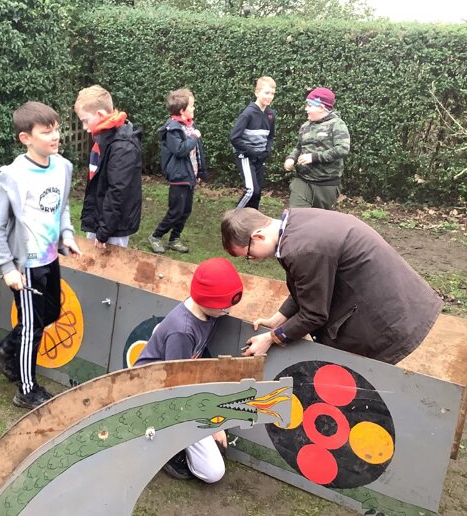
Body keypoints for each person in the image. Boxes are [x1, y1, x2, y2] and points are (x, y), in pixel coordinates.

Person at [220, 207, 443, 364]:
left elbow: (314, 315)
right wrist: (278, 319)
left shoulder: (302, 249)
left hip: (386, 319)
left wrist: (271, 338)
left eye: (248, 255)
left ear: (258, 237)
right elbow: (311, 284)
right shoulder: (297, 221)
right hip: (401, 299)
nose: (253, 260)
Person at [0, 102, 82, 410]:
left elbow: (62, 206)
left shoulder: (63, 167)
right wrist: (7, 267)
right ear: (26, 138)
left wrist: (67, 235)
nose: (55, 136)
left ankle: (4, 350)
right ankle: (26, 390)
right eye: (46, 131)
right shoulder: (13, 176)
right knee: (32, 327)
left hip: (50, 259)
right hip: (25, 266)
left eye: (57, 129)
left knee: (50, 314)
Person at [135, 258, 244, 482]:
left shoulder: (206, 312)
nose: (229, 311)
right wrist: (213, 422)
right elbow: (177, 387)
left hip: (180, 387)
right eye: (224, 306)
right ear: (206, 300)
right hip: (158, 394)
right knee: (213, 472)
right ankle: (166, 446)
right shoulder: (183, 330)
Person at [74, 85, 142, 248]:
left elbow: (118, 191)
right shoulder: (103, 138)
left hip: (113, 228)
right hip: (100, 219)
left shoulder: (122, 146)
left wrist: (104, 231)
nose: (84, 127)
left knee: (111, 262)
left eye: (85, 121)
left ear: (100, 115)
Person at [148, 88, 208, 254]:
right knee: (175, 211)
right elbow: (180, 150)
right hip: (178, 177)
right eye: (192, 106)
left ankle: (174, 239)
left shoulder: (190, 125)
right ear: (182, 110)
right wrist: (194, 137)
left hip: (190, 176)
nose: (194, 108)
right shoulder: (172, 129)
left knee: (186, 211)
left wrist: (200, 172)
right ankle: (155, 236)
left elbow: (197, 152)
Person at [284, 87, 350, 210]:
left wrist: (314, 157)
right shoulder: (305, 126)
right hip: (303, 181)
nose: (306, 109)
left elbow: (342, 148)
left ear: (320, 107)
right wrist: (291, 158)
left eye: (309, 106)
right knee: (297, 216)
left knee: (319, 220)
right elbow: (298, 147)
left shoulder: (337, 124)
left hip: (326, 184)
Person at [230, 76, 276, 210]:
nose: (270, 96)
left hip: (260, 157)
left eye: (272, 93)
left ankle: (251, 219)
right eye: (266, 93)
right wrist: (251, 152)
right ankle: (233, 218)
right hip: (245, 156)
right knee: (252, 191)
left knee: (257, 193)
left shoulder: (271, 114)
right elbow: (234, 137)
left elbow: (270, 136)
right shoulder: (248, 113)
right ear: (257, 92)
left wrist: (266, 151)